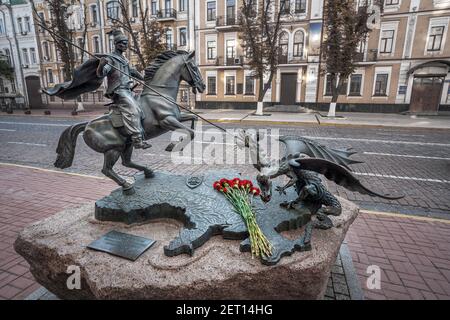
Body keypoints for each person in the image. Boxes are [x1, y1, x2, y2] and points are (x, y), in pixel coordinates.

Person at [96, 30, 151, 149]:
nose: (125, 46)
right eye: (122, 43)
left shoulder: (124, 59)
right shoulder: (110, 59)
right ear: (116, 44)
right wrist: (101, 65)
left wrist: (146, 80)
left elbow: (132, 72)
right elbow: (101, 74)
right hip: (118, 91)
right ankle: (137, 139)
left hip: (128, 90)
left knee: (142, 106)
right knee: (133, 110)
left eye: (126, 43)